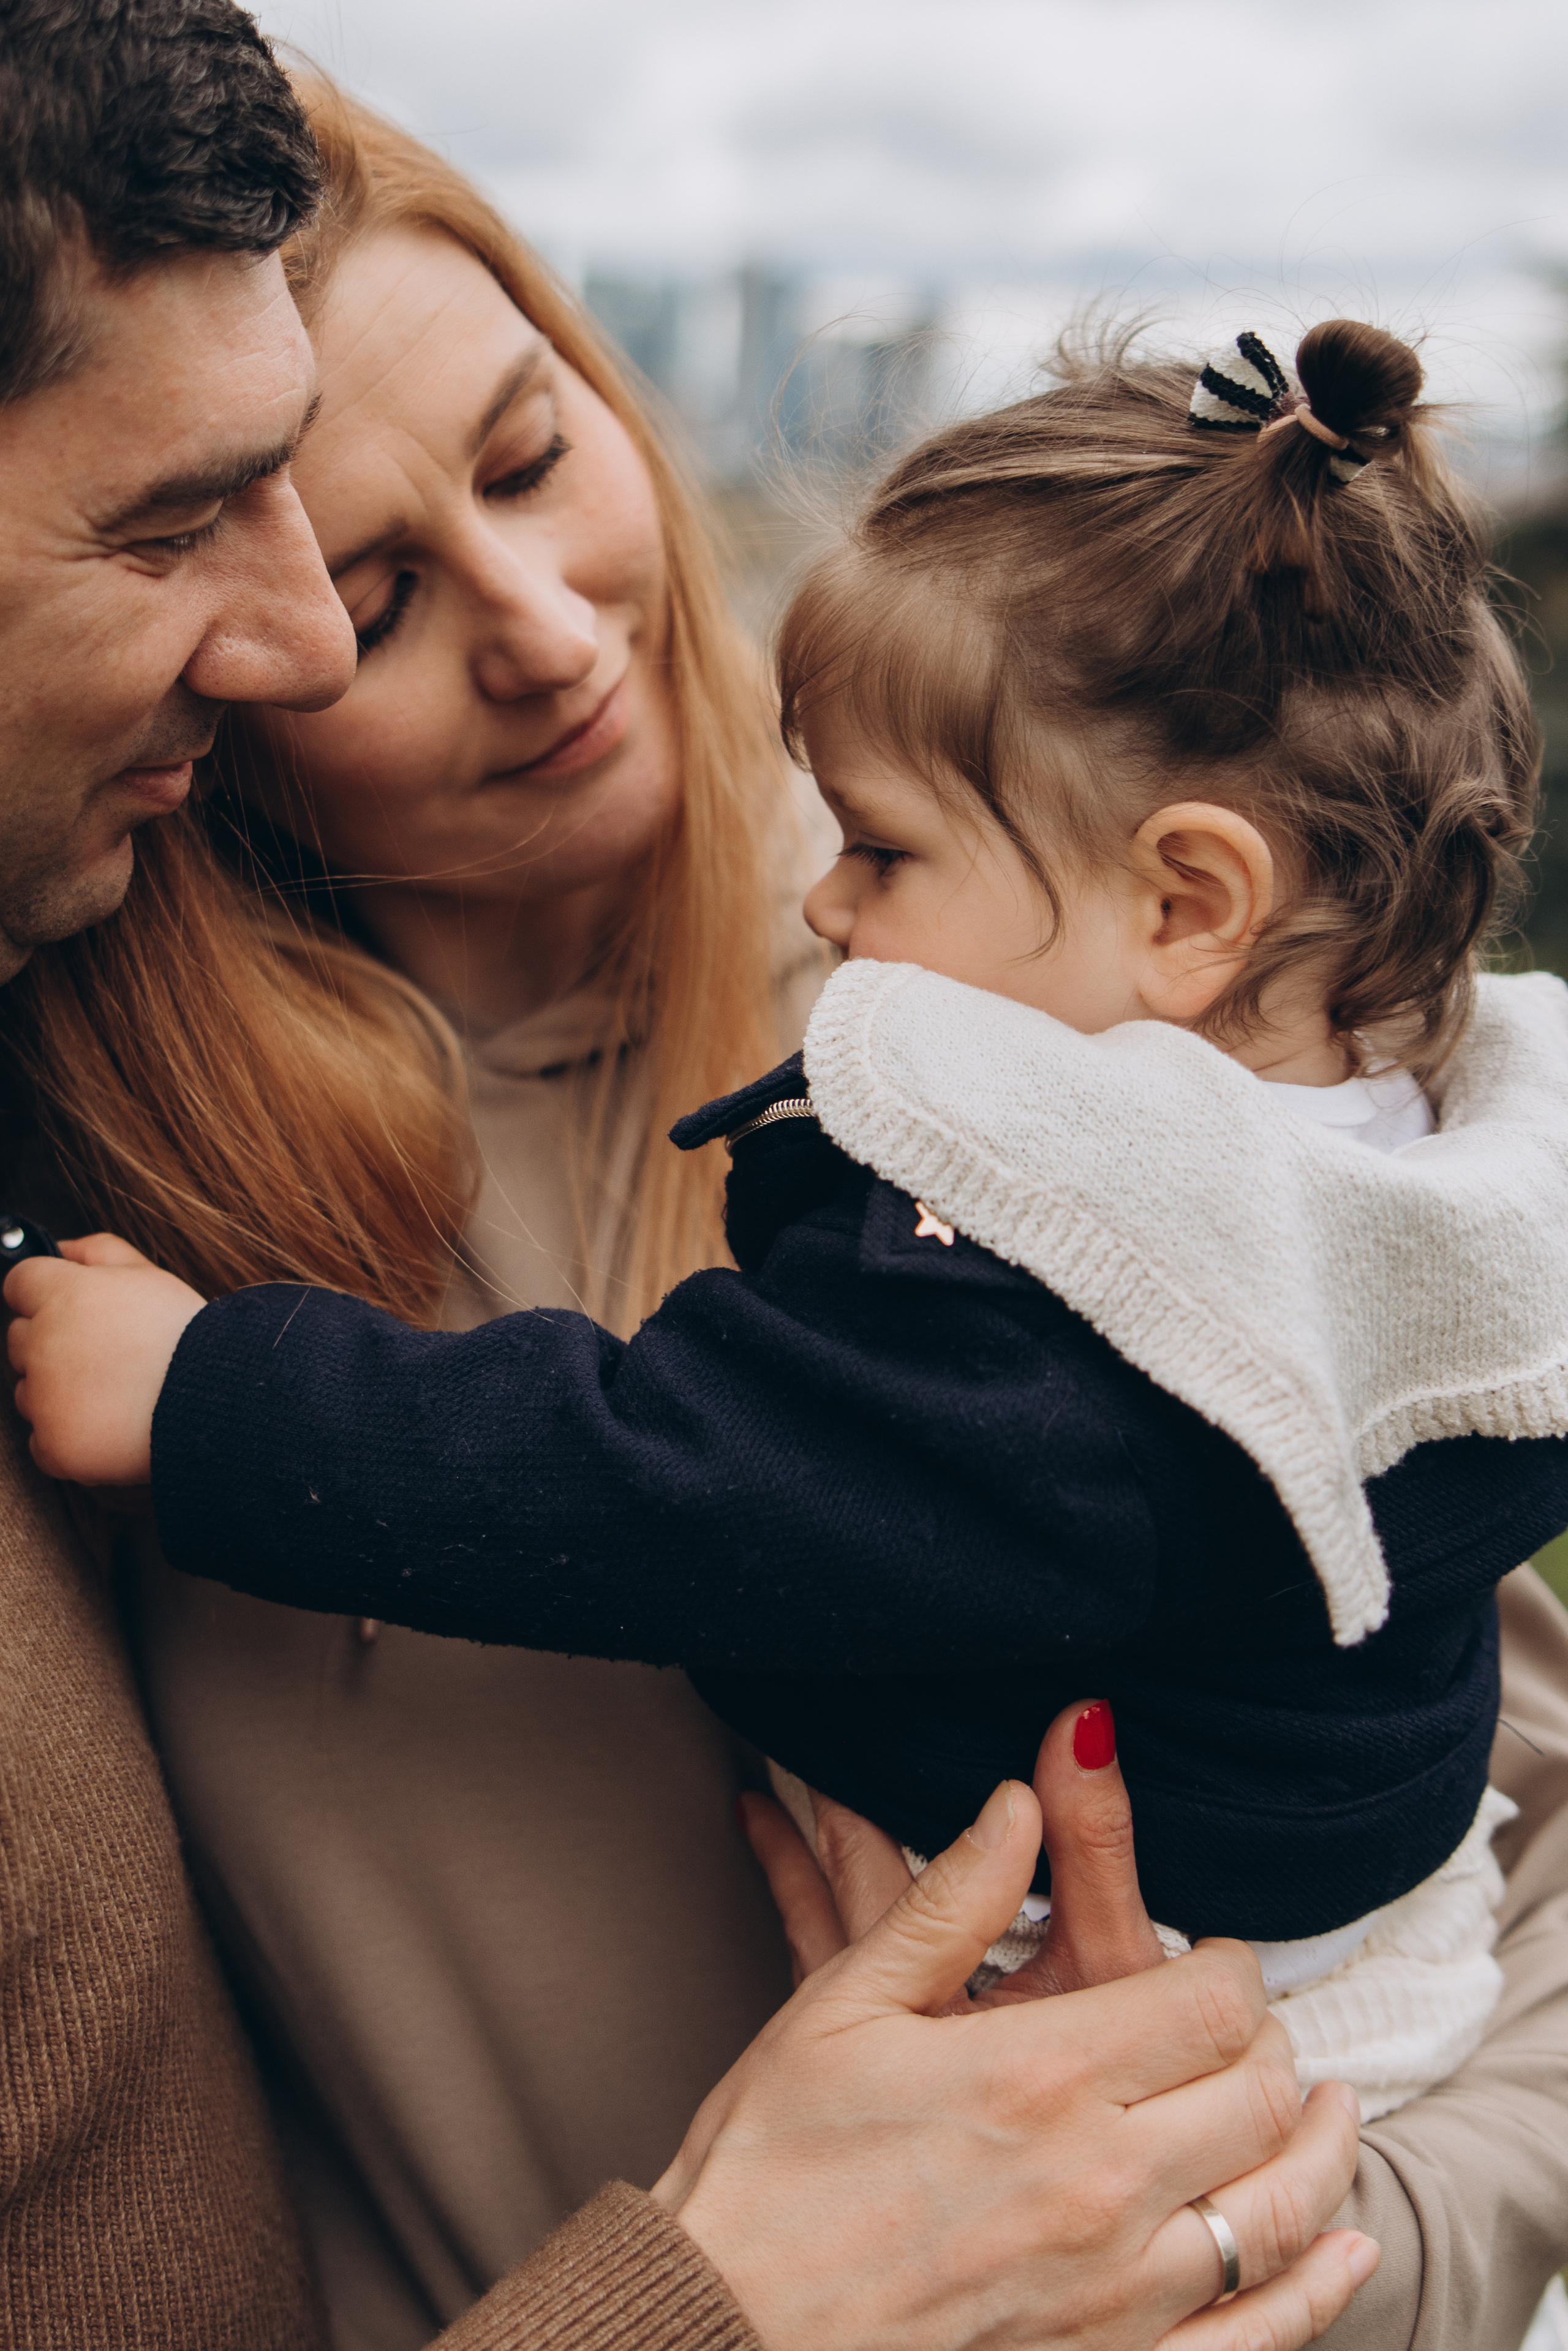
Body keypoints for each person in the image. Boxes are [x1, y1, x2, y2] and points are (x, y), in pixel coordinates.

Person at [0, 9, 1379, 2348]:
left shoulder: (1040, 1008)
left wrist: (1272, 2255)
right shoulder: (124, 1189)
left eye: (535, 459)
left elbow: (1506, 1814)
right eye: (380, 596)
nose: (539, 638)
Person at [18, 316, 1568, 2122]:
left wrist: (215, 1393)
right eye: (382, 600)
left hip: (1204, 2063)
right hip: (1369, 1952)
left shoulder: (1082, 1290)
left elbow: (659, 1474)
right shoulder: (1410, 1157)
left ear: (1187, 904)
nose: (831, 908)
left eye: (884, 851)